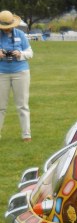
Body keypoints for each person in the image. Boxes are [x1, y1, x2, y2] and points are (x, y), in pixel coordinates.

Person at [0, 10, 33, 142]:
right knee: (1, 106)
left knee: (23, 105)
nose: (7, 29)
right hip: (2, 73)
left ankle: (26, 134)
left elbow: (30, 53)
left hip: (21, 72)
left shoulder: (20, 34)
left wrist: (20, 54)